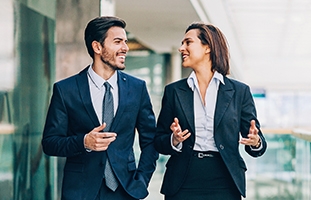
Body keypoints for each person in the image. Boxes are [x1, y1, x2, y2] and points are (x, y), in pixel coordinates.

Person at [42, 16, 158, 200]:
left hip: (125, 190)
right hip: (80, 192)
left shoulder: (137, 89)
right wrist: (84, 142)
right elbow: (50, 143)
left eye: (125, 42)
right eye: (118, 41)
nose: (125, 48)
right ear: (97, 47)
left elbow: (151, 140)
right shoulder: (66, 90)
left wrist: (141, 180)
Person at [154, 22, 267, 200]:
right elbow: (159, 141)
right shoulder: (174, 91)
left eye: (188, 42)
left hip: (225, 181)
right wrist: (173, 140)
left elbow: (257, 145)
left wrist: (255, 141)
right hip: (182, 181)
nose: (181, 48)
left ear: (207, 47)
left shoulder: (239, 91)